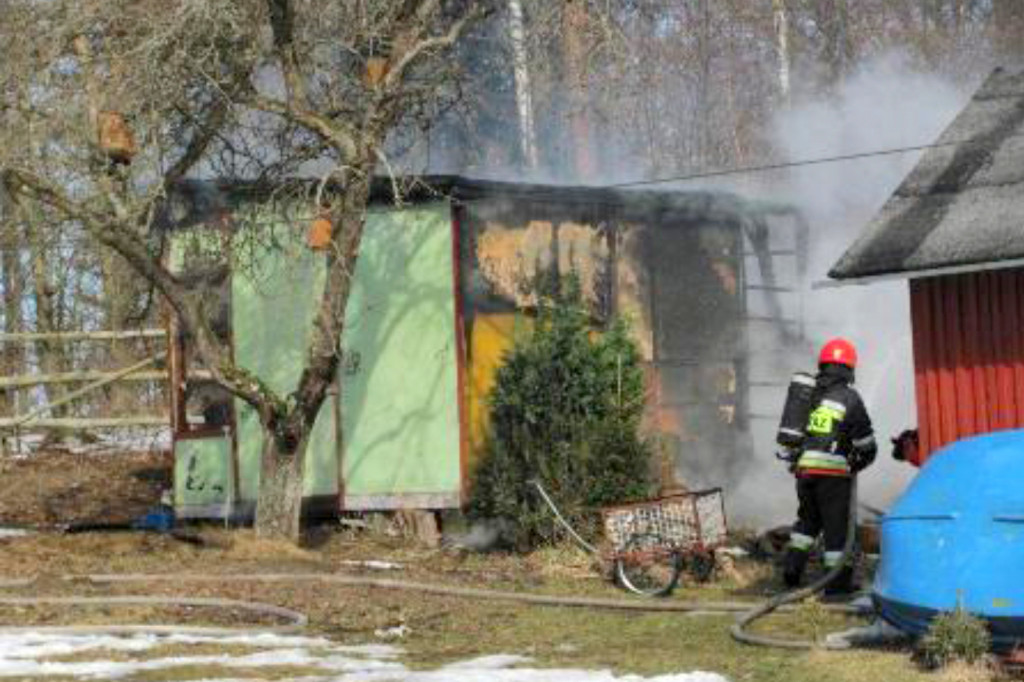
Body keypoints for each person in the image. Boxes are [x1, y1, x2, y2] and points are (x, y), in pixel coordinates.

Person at [781, 337, 877, 596]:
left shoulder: (808, 394)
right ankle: (837, 584)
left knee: (807, 522)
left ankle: (791, 569)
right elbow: (865, 440)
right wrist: (864, 458)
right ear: (849, 368)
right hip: (832, 474)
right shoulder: (849, 397)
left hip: (804, 471)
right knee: (837, 530)